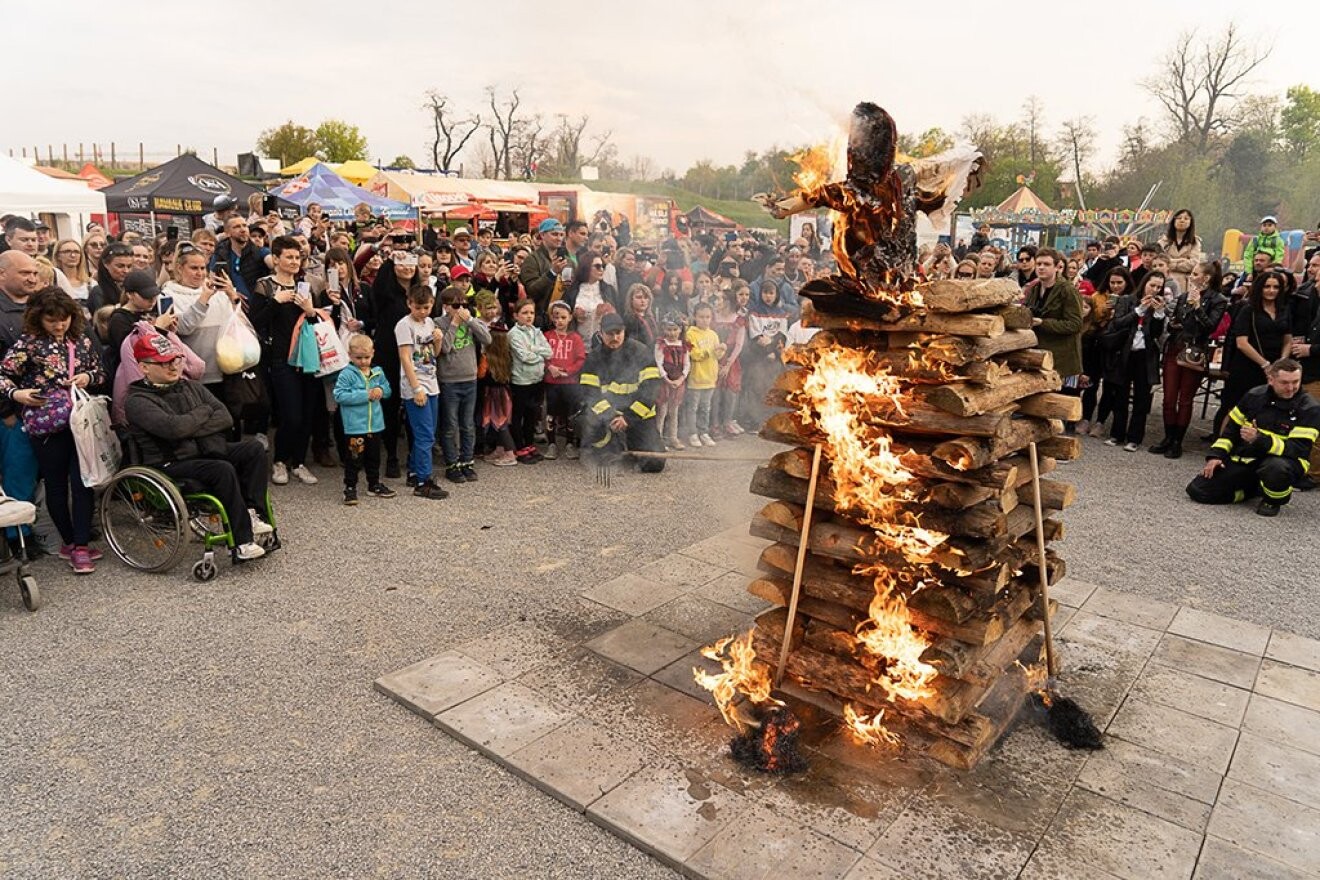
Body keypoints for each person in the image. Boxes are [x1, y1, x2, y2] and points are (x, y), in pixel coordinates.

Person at [123, 334, 272, 559]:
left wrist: (188, 425)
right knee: (221, 468)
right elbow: (173, 430)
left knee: (253, 449)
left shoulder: (189, 386)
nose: (173, 367)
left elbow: (225, 417)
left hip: (203, 449)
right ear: (144, 367)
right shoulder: (137, 401)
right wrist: (202, 414)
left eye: (175, 360)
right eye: (164, 362)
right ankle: (242, 542)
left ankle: (252, 513)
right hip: (170, 462)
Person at [0, 288, 104, 572]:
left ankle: (80, 545)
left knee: (84, 482)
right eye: (52, 320)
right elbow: (3, 374)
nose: (59, 325)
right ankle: (70, 543)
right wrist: (17, 395)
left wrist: (88, 376)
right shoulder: (29, 344)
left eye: (65, 318)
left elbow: (100, 372)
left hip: (80, 421)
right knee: (56, 485)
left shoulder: (80, 340)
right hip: (45, 424)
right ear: (38, 318)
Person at [1188, 358, 1320, 517]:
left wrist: (1260, 439)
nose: (1291, 388)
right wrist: (1216, 455)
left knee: (1275, 468)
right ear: (1271, 379)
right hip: (1250, 457)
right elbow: (1231, 431)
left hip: (1286, 461)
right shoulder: (1254, 395)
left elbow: (1298, 448)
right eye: (1284, 382)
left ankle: (1273, 500)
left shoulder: (1309, 408)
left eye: (1295, 382)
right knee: (1198, 490)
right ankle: (1252, 490)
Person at [250, 236, 321, 486]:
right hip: (280, 358)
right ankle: (280, 461)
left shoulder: (306, 285)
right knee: (291, 415)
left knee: (308, 413)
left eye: (297, 257)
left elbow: (318, 323)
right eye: (289, 257)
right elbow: (254, 321)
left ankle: (299, 462)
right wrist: (274, 302)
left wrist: (311, 311)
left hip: (308, 358)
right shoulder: (265, 285)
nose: (294, 261)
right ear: (276, 259)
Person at [1150, 261, 1229, 459]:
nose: (1191, 277)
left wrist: (1197, 307)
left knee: (1185, 399)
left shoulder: (1218, 299)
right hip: (1175, 346)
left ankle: (1178, 441)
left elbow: (1209, 327)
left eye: (1195, 273)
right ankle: (1168, 437)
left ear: (1206, 278)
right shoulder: (1183, 296)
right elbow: (1176, 322)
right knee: (1168, 398)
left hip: (1194, 351)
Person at [577, 312, 665, 472]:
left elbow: (651, 390)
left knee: (654, 464)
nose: (615, 337)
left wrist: (628, 418)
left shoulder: (641, 352)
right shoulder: (594, 358)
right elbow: (590, 394)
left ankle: (628, 445)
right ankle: (606, 446)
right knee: (604, 458)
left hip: (638, 416)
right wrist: (612, 416)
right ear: (601, 333)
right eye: (609, 334)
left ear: (624, 332)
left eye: (618, 333)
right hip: (607, 418)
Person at [1216, 270, 1293, 434]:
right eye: (1267, 286)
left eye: (1275, 287)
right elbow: (1241, 343)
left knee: (1262, 411)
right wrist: (1265, 364)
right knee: (1234, 408)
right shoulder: (1248, 309)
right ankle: (1220, 447)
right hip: (1247, 365)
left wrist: (1281, 362)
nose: (1271, 290)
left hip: (1275, 365)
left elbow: (1288, 339)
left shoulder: (1284, 310)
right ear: (1260, 288)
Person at [1101, 271, 1167, 451]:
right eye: (1152, 285)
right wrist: (1139, 311)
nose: (1154, 290)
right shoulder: (1127, 300)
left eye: (1158, 287)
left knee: (1142, 398)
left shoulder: (1158, 305)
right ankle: (1117, 434)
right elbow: (1117, 323)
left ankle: (1134, 438)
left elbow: (1156, 334)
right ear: (1144, 283)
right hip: (1125, 352)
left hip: (1145, 355)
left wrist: (1159, 314)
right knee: (1120, 394)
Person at [435, 285, 492, 482]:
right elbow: (445, 348)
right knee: (450, 425)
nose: (460, 308)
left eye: (464, 305)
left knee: (468, 424)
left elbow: (487, 338)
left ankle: (467, 461)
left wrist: (469, 320)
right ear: (446, 306)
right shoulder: (438, 323)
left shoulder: (470, 321)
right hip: (449, 381)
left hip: (470, 379)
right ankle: (452, 463)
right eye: (456, 305)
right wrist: (454, 324)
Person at [396, 285, 447, 497]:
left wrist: (439, 340)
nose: (423, 312)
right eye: (418, 308)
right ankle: (424, 481)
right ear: (409, 304)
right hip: (416, 383)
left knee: (428, 431)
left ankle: (415, 471)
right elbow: (405, 357)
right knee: (424, 434)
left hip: (431, 379)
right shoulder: (404, 325)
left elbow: (434, 353)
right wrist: (416, 387)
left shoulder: (430, 322)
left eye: (426, 307)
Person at [332, 335, 396, 505]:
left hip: (374, 425)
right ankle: (350, 488)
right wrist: (365, 395)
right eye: (358, 358)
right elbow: (339, 395)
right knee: (354, 458)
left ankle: (373, 484)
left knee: (374, 456)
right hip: (355, 427)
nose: (363, 362)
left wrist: (381, 391)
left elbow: (388, 390)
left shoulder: (378, 372)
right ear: (350, 356)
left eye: (366, 357)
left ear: (373, 353)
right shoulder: (346, 374)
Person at [1022, 249, 1084, 379]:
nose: (1041, 268)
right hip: (1040, 355)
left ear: (1056, 267)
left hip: (1062, 359)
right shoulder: (1034, 288)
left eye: (1046, 264)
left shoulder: (1067, 290)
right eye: (1038, 264)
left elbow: (1075, 324)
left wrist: (1043, 323)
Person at [740, 281, 790, 432]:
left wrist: (773, 351)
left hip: (774, 357)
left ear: (776, 295)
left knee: (773, 389)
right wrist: (767, 351)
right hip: (758, 357)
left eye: (771, 293)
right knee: (757, 388)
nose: (768, 296)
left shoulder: (781, 313)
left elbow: (781, 335)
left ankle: (772, 422)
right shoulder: (754, 312)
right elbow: (755, 335)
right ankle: (756, 421)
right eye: (765, 293)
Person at [508, 298, 553, 465]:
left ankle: (529, 444)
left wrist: (534, 349)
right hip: (521, 381)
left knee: (531, 415)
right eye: (525, 313)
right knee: (519, 414)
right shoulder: (514, 334)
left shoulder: (536, 331)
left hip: (537, 379)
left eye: (531, 313)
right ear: (516, 316)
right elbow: (524, 357)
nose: (529, 316)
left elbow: (549, 352)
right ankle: (519, 447)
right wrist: (537, 354)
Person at [542, 300, 584, 460]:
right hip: (551, 382)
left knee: (570, 414)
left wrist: (567, 371)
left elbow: (580, 359)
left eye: (563, 317)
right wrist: (550, 368)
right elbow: (542, 355)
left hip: (570, 383)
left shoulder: (575, 338)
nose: (559, 321)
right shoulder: (547, 336)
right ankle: (551, 444)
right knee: (550, 414)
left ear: (570, 318)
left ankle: (570, 444)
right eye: (556, 317)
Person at [683, 303, 724, 448]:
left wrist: (721, 350)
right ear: (695, 317)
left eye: (708, 317)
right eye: (701, 317)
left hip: (710, 378)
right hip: (696, 377)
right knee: (693, 407)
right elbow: (693, 354)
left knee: (706, 408)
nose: (705, 320)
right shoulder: (690, 333)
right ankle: (692, 433)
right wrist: (709, 351)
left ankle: (703, 432)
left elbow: (717, 356)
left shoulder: (713, 334)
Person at [712, 284, 748, 438]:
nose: (717, 301)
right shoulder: (713, 318)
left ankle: (727, 422)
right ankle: (714, 424)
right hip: (714, 359)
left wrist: (728, 365)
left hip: (731, 360)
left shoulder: (739, 320)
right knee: (715, 392)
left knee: (730, 392)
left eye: (720, 299)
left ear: (728, 301)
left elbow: (739, 345)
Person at [519, 218, 569, 322]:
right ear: (542, 235)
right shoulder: (532, 260)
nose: (559, 238)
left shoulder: (567, 260)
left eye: (561, 235)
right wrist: (552, 273)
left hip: (562, 319)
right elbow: (532, 291)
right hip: (540, 318)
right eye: (554, 234)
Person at [654, 314, 690, 450]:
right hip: (665, 381)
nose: (672, 333)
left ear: (680, 330)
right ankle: (659, 439)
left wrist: (681, 379)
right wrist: (667, 380)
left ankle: (673, 437)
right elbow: (659, 363)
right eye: (669, 329)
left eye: (675, 329)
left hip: (678, 381)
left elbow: (687, 364)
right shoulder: (661, 344)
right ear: (663, 329)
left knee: (674, 411)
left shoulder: (684, 345)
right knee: (662, 410)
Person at [210, 216, 265, 300]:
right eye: (237, 227)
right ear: (228, 233)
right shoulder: (220, 254)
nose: (243, 229)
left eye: (245, 225)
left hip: (257, 307)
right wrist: (233, 294)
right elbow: (212, 281)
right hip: (231, 305)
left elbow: (274, 264)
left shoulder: (259, 251)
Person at [1158, 209, 1202, 293]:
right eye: (1179, 218)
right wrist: (1182, 260)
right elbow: (1160, 261)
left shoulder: (1195, 242)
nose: (1182, 220)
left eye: (1186, 218)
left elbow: (1194, 263)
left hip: (1184, 284)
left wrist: (1171, 262)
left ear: (1190, 223)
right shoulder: (1163, 241)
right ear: (1173, 220)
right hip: (1165, 280)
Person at [88, 242, 134, 314]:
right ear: (106, 264)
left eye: (129, 266)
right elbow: (101, 320)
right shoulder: (98, 292)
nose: (126, 271)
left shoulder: (133, 288)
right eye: (120, 266)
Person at [51, 239, 90, 304]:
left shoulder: (90, 284)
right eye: (67, 251)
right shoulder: (53, 282)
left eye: (76, 252)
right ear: (58, 256)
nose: (73, 255)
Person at [621, 283, 657, 348]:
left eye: (646, 298)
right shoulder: (630, 319)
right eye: (639, 297)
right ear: (631, 300)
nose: (643, 301)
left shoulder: (651, 317)